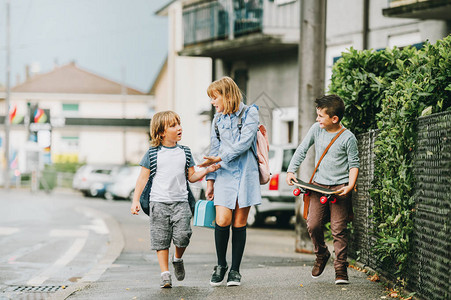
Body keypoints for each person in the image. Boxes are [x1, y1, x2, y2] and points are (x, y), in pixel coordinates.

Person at [130, 111, 220, 288]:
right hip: (158, 202)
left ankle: (177, 258)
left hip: (181, 202)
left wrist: (208, 171)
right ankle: (165, 274)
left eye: (179, 124)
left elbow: (192, 177)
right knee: (160, 239)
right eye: (173, 125)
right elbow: (142, 178)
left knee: (183, 236)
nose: (179, 128)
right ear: (161, 132)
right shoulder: (153, 153)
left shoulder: (185, 152)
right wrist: (135, 201)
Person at [286, 95, 359, 285]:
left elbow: (354, 165)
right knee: (313, 224)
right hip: (318, 186)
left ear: (334, 119)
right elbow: (302, 149)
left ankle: (340, 268)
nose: (317, 119)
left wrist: (350, 186)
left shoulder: (348, 138)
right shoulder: (316, 129)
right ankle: (322, 254)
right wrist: (291, 170)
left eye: (320, 116)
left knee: (338, 229)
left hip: (339, 189)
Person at [198, 76, 261, 287]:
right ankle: (220, 265)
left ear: (227, 95)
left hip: (246, 172)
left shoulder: (251, 112)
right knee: (222, 220)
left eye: (214, 97)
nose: (212, 102)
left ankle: (235, 270)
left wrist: (221, 158)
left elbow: (245, 142)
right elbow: (213, 149)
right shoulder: (217, 119)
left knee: (239, 222)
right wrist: (210, 180)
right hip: (224, 173)